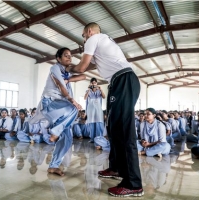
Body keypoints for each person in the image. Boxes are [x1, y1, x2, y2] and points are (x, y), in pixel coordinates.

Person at [65, 22, 143, 197]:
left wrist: (67, 68)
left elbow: (82, 67)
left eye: (83, 35)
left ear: (89, 31)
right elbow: (88, 66)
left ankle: (133, 183)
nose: (83, 39)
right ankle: (116, 168)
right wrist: (72, 76)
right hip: (117, 82)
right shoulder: (102, 43)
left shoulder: (94, 38)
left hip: (124, 80)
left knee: (124, 131)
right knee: (113, 128)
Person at [29, 47, 85, 176]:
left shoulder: (67, 72)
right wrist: (72, 100)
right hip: (49, 103)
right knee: (73, 107)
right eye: (66, 55)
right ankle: (55, 132)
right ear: (58, 58)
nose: (69, 58)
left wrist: (69, 79)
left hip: (61, 107)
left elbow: (83, 75)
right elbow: (60, 86)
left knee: (67, 140)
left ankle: (53, 166)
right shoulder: (54, 68)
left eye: (70, 56)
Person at [84, 78, 105, 142]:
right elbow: (85, 98)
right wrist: (88, 90)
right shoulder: (88, 91)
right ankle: (92, 138)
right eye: (92, 83)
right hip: (91, 109)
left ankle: (99, 138)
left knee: (98, 122)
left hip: (98, 109)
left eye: (95, 83)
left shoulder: (99, 91)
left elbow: (104, 97)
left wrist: (101, 89)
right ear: (90, 83)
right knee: (92, 123)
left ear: (97, 83)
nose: (94, 84)